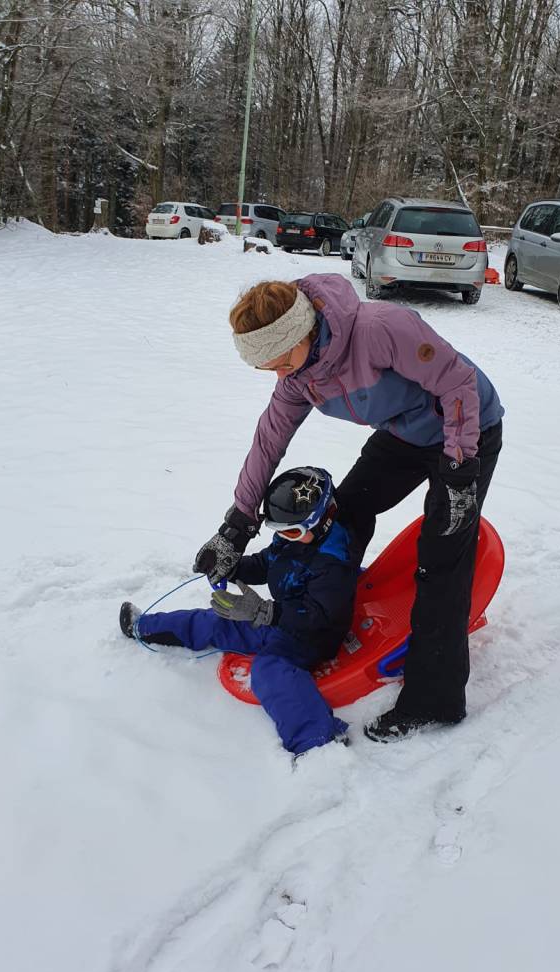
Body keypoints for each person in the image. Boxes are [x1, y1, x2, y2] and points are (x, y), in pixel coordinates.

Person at [194, 273, 504, 742]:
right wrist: (235, 527)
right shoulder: (300, 375)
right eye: (268, 368)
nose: (279, 375)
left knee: (442, 558)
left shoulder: (381, 329)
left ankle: (435, 701)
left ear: (302, 331)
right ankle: (319, 618)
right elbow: (268, 440)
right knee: (341, 516)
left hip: (466, 433)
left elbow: (457, 380)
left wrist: (460, 472)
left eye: (281, 362)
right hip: (404, 433)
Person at [121, 466, 359, 756]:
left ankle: (317, 742)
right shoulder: (294, 539)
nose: (284, 536)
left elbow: (320, 615)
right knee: (216, 621)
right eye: (278, 530)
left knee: (269, 669)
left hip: (311, 637)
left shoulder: (334, 563)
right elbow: (266, 564)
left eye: (291, 531)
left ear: (324, 521)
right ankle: (144, 626)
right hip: (277, 619)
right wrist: (232, 568)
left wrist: (267, 613)